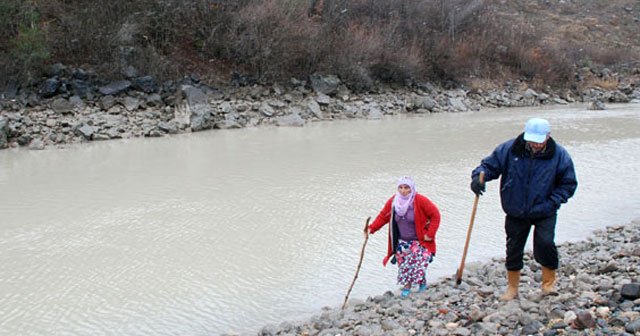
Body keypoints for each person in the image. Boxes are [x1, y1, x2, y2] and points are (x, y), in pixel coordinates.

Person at [470, 117, 577, 301]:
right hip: (516, 210)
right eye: (531, 140)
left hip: (545, 209)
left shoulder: (559, 155)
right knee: (513, 247)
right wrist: (478, 178)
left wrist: (553, 202)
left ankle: (548, 284)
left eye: (539, 141)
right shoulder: (509, 149)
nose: (535, 144)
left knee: (545, 244)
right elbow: (488, 166)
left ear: (548, 136)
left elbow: (568, 184)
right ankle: (512, 288)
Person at [367, 176, 441, 298]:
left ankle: (414, 285)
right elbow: (383, 216)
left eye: (406, 188)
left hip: (419, 241)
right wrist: (371, 228)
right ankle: (414, 284)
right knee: (405, 266)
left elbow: (435, 215)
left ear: (412, 189)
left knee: (417, 263)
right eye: (400, 187)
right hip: (402, 241)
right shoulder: (393, 202)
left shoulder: (420, 200)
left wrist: (430, 234)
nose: (403, 190)